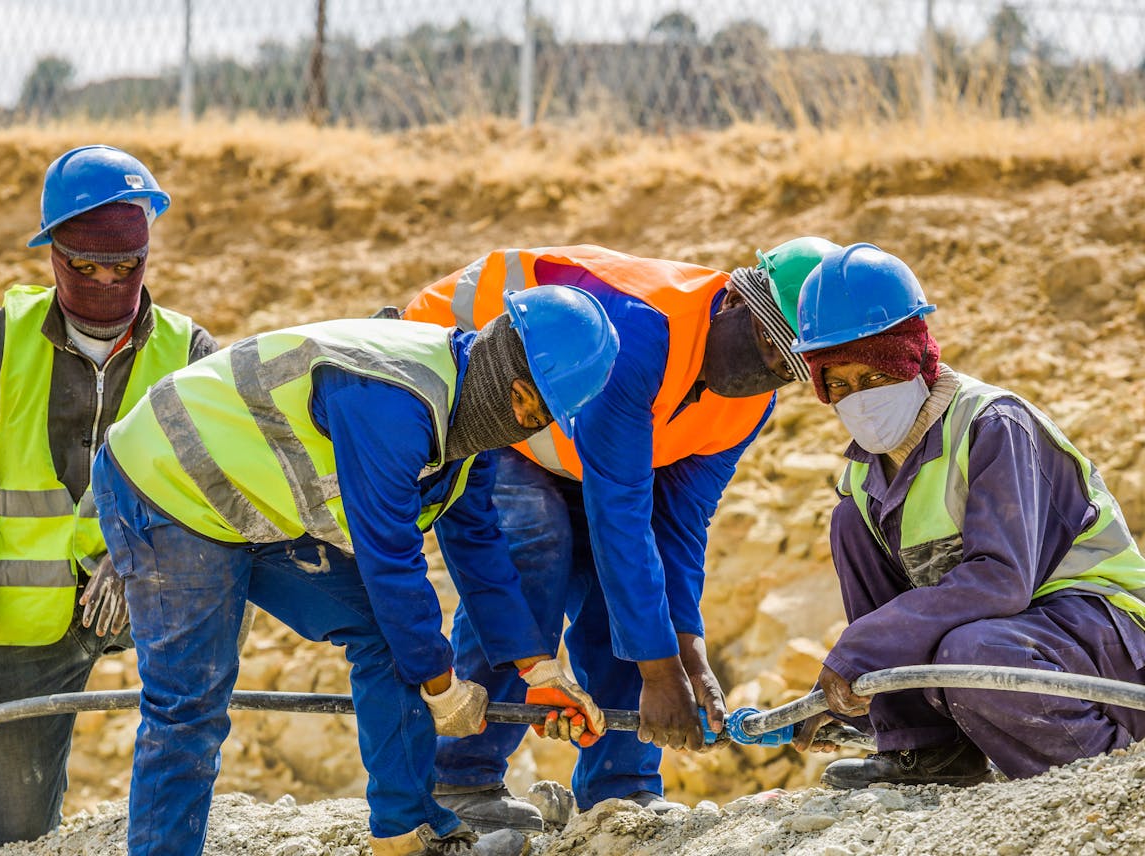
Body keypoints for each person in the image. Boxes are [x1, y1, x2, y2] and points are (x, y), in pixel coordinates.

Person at [90, 284, 619, 856]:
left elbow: (478, 544)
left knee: (390, 639)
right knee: (189, 703)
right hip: (167, 481)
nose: (519, 421)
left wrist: (537, 668)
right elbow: (388, 555)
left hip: (252, 504)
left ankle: (408, 835)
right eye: (521, 399)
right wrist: (440, 686)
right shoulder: (394, 399)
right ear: (498, 358)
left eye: (536, 418)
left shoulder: (464, 424)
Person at [403, 240, 839, 831]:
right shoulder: (641, 333)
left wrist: (688, 651)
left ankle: (621, 790)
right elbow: (619, 513)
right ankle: (460, 781)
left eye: (791, 368)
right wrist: (658, 675)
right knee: (536, 544)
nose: (771, 372)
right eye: (768, 345)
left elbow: (679, 523)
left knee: (629, 587)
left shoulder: (749, 402)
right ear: (735, 299)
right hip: (484, 390)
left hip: (571, 442)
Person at [0, 144, 217, 847]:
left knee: (186, 746)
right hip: (28, 622)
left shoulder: (188, 354)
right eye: (86, 266)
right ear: (53, 254)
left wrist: (134, 553)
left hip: (149, 594)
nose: (107, 281)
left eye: (125, 265)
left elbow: (215, 494)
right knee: (16, 826)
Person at [788, 243, 1145, 787]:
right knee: (851, 528)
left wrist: (858, 650)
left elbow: (1000, 582)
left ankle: (1113, 779)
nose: (857, 397)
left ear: (911, 359)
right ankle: (925, 751)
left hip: (1103, 629)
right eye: (839, 383)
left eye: (875, 376)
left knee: (974, 654)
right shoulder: (862, 479)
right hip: (1017, 632)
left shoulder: (992, 424)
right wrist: (854, 684)